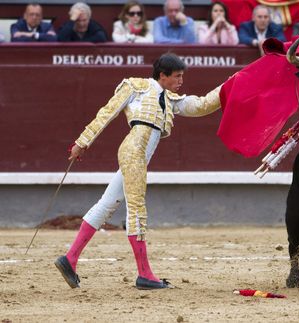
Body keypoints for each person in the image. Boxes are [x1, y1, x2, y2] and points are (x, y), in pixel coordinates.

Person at [54, 53, 222, 290]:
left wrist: (231, 84)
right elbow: (107, 113)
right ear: (162, 76)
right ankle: (144, 274)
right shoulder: (135, 86)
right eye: (177, 76)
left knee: (107, 204)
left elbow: (202, 105)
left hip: (139, 156)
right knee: (136, 209)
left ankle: (69, 259)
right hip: (133, 152)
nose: (181, 81)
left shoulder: (170, 99)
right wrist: (82, 142)